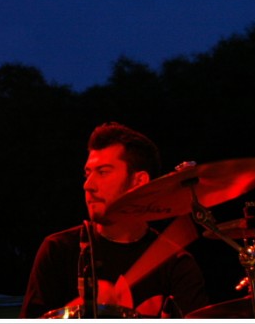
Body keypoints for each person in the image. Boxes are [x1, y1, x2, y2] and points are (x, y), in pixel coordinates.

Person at [19, 122, 208, 318]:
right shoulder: (58, 251)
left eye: (103, 172)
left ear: (138, 181)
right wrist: (80, 311)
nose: (88, 185)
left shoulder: (176, 265)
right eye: (87, 173)